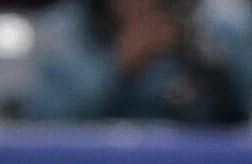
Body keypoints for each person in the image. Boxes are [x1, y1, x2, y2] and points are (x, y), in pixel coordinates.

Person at [22, 0, 250, 124]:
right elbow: (40, 120)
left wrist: (211, 60)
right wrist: (117, 64)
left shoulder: (221, 26)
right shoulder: (63, 28)